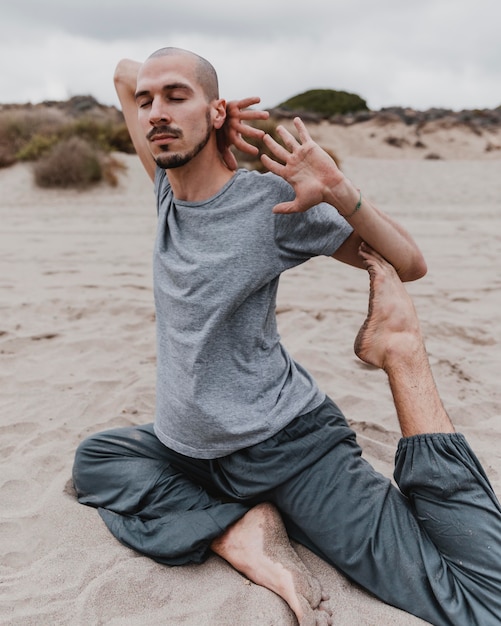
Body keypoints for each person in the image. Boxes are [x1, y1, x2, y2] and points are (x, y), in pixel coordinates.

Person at [72, 47, 501, 626]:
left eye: (177, 97)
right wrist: (184, 104)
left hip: (288, 452)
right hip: (189, 452)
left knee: (477, 601)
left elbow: (409, 261)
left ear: (215, 110)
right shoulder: (166, 189)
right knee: (97, 458)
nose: (154, 113)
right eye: (147, 103)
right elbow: (126, 73)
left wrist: (336, 189)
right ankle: (238, 530)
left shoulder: (267, 205)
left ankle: (400, 354)